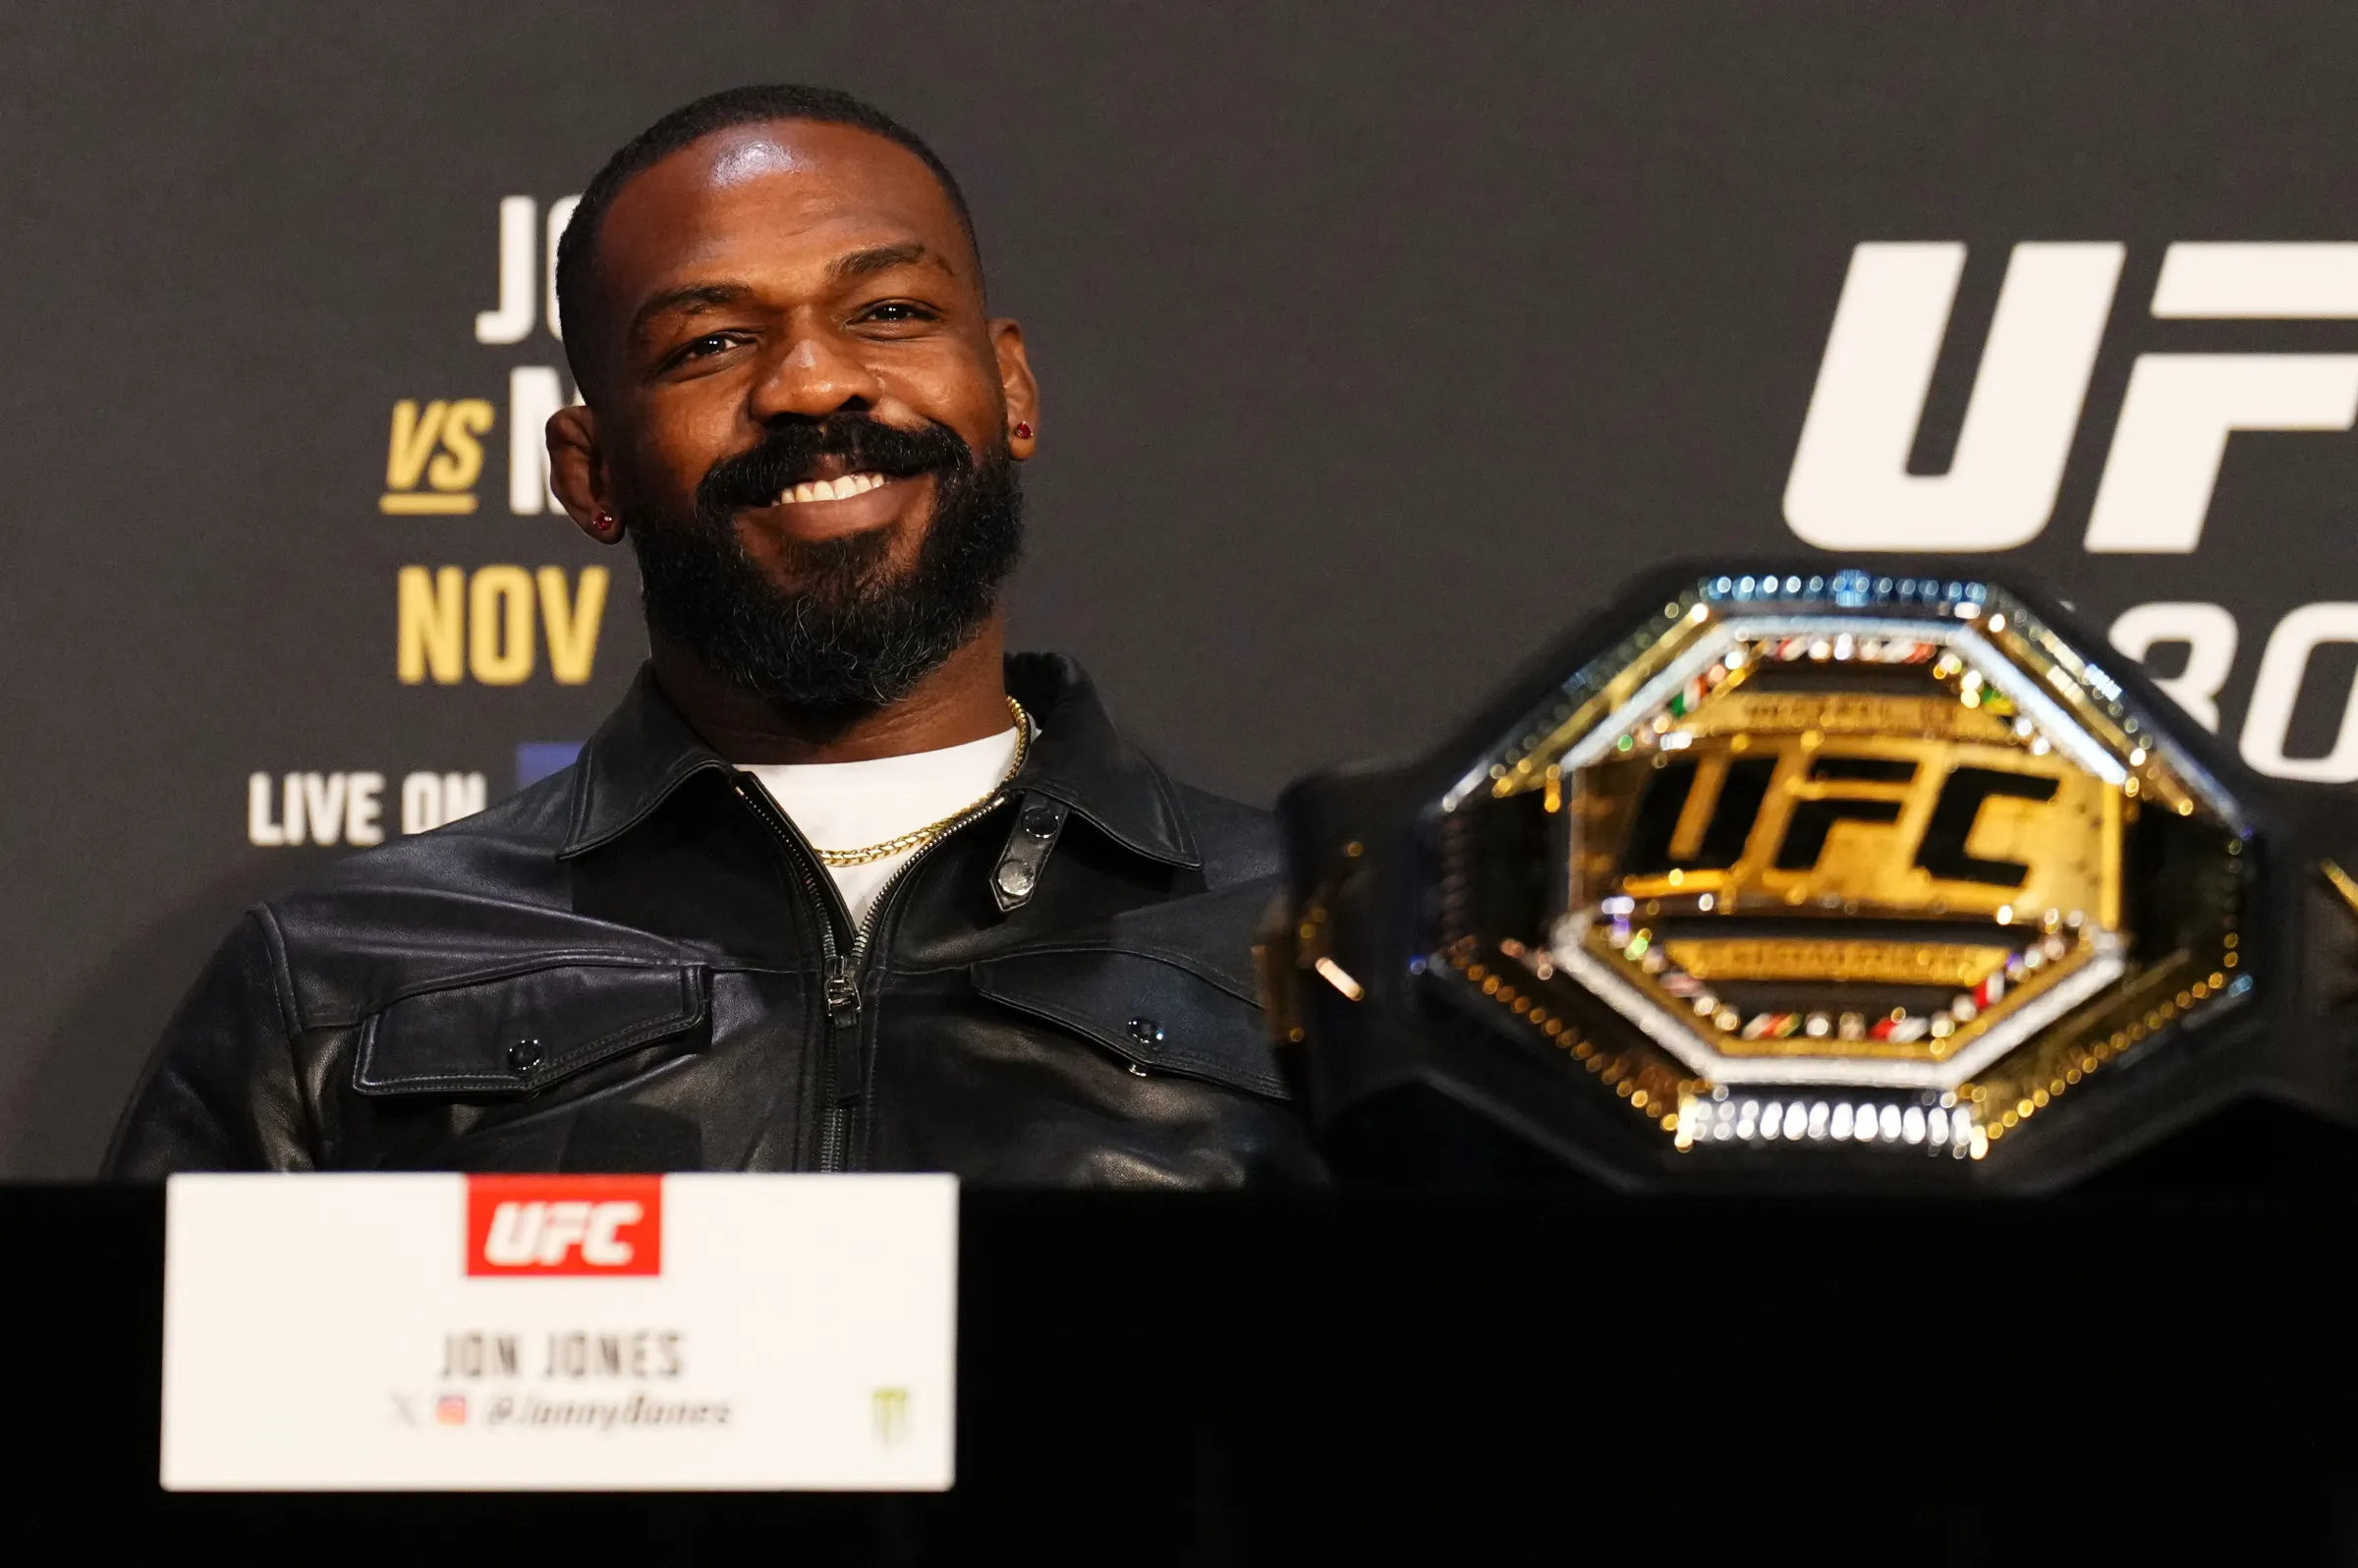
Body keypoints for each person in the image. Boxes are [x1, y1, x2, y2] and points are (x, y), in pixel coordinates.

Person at [107, 84, 1320, 1185]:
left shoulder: (1320, 941)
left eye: (890, 310)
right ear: (592, 476)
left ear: (1011, 390)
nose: (810, 382)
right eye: (711, 344)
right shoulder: (337, 983)